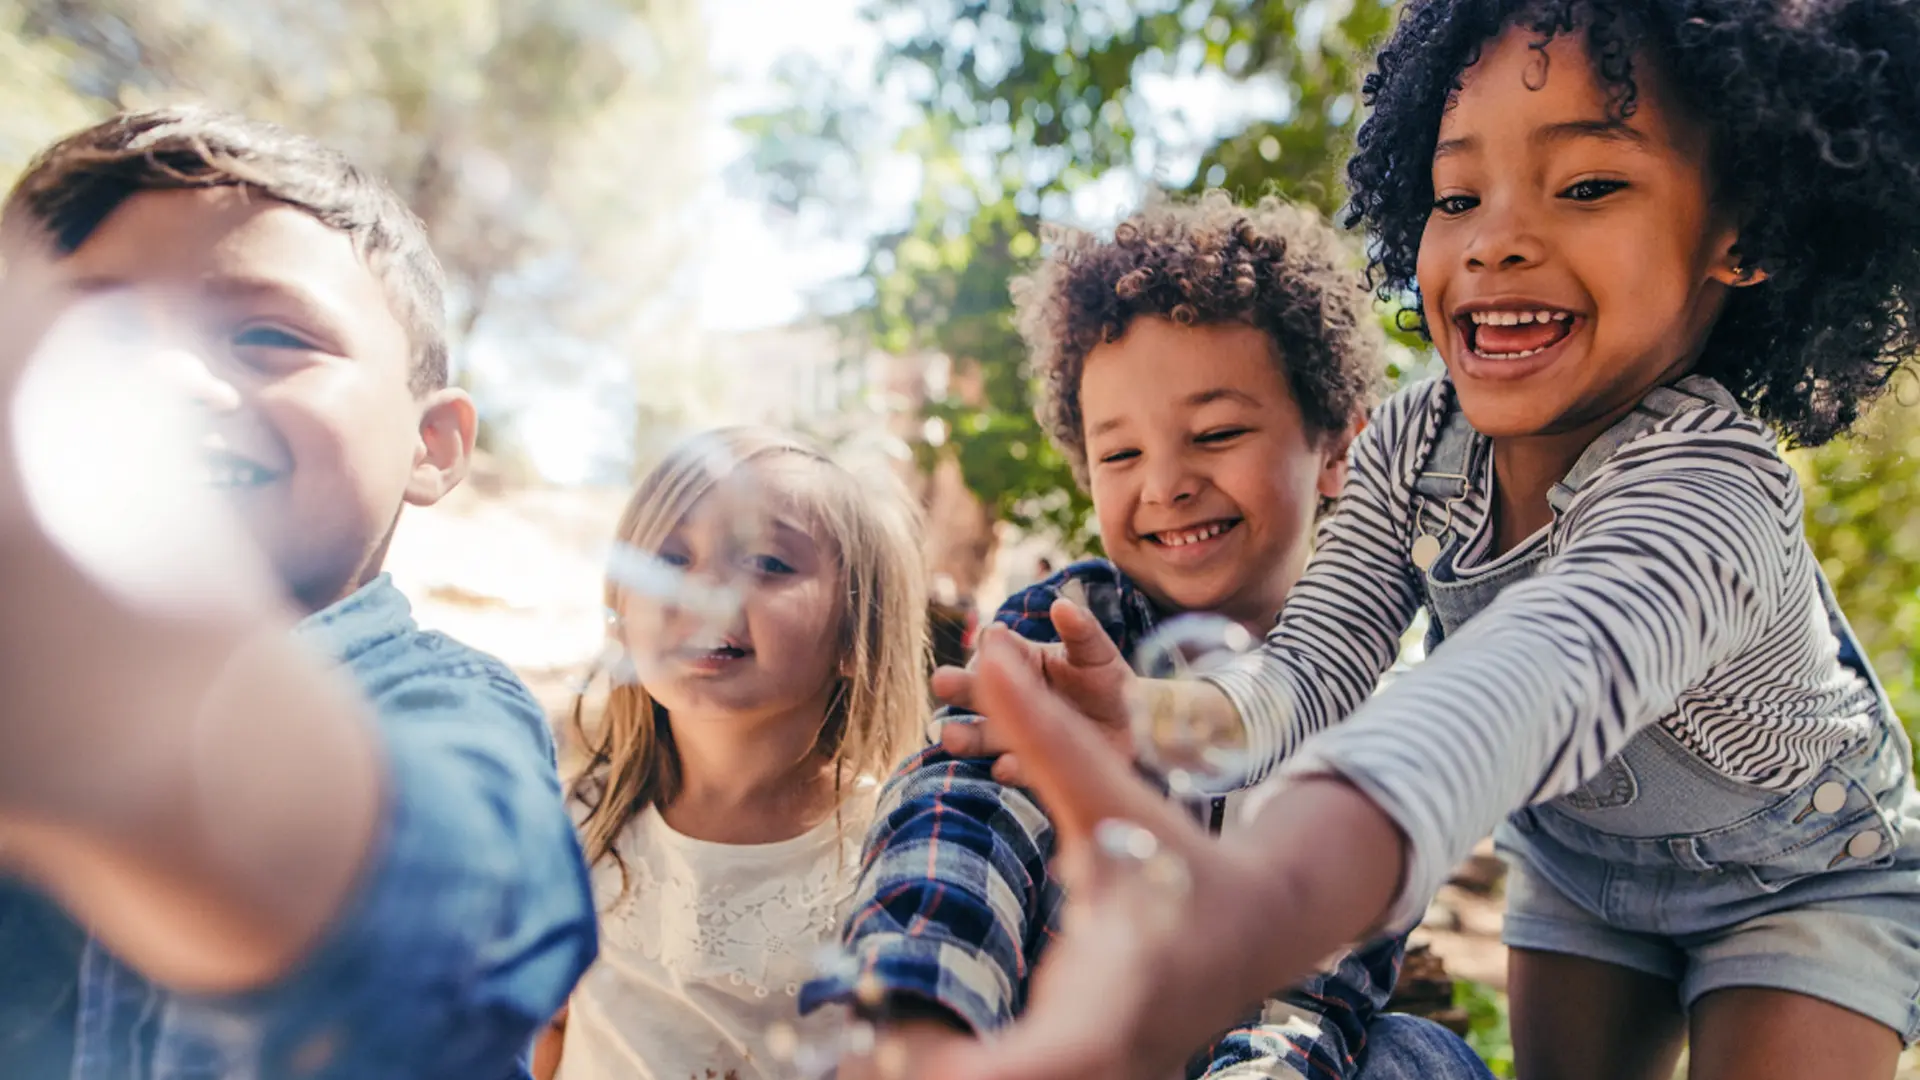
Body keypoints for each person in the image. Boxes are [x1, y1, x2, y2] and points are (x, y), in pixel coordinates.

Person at [932, 0, 1920, 1077]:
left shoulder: (1709, 491)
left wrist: (1276, 892)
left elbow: (1531, 675)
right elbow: (1310, 669)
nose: (1494, 240)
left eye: (1587, 185)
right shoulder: (1414, 442)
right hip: (1585, 867)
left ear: (1746, 233)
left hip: (1804, 876)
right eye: (1458, 195)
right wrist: (1160, 714)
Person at [808, 193, 1490, 1079]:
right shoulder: (1066, 628)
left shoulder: (1363, 714)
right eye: (1120, 455)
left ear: (1337, 451)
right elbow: (960, 816)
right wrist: (917, 1022)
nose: (1165, 484)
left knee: (1418, 1056)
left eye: (1216, 433)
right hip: (1036, 1052)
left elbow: (1311, 996)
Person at [0, 108, 597, 1078]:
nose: (161, 377)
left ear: (432, 443)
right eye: (93, 334)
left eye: (270, 335)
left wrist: (129, 747)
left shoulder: (452, 706)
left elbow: (466, 928)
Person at [537, 428, 930, 1080]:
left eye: (769, 563)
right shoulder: (581, 819)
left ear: (857, 635)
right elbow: (546, 1034)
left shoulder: (892, 854)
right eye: (670, 558)